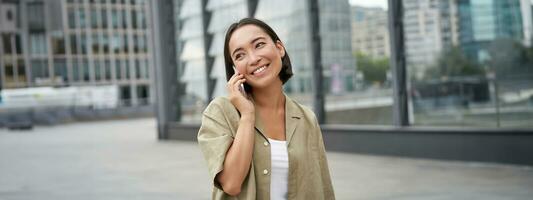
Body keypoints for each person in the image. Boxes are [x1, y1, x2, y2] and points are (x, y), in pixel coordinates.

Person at [197, 17, 335, 200]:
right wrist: (247, 115)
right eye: (240, 55)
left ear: (279, 48)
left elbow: (322, 186)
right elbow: (231, 183)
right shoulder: (220, 112)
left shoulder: (306, 118)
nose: (253, 58)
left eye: (259, 45)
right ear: (235, 68)